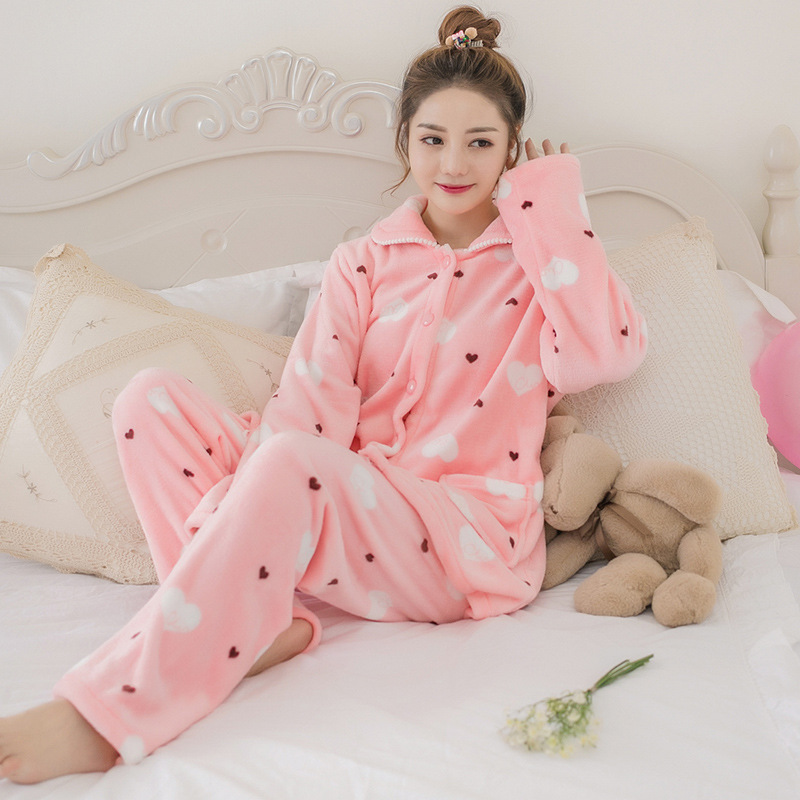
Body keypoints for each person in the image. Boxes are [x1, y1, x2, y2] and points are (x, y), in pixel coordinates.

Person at [0, 6, 646, 784]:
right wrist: (244, 498)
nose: (454, 162)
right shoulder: (364, 261)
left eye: (481, 142)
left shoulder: (537, 261)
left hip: (464, 542)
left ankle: (108, 714)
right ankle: (260, 621)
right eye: (432, 139)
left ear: (512, 148)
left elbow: (604, 352)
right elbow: (309, 406)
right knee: (149, 401)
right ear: (404, 141)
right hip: (351, 500)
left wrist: (554, 208)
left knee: (289, 465)